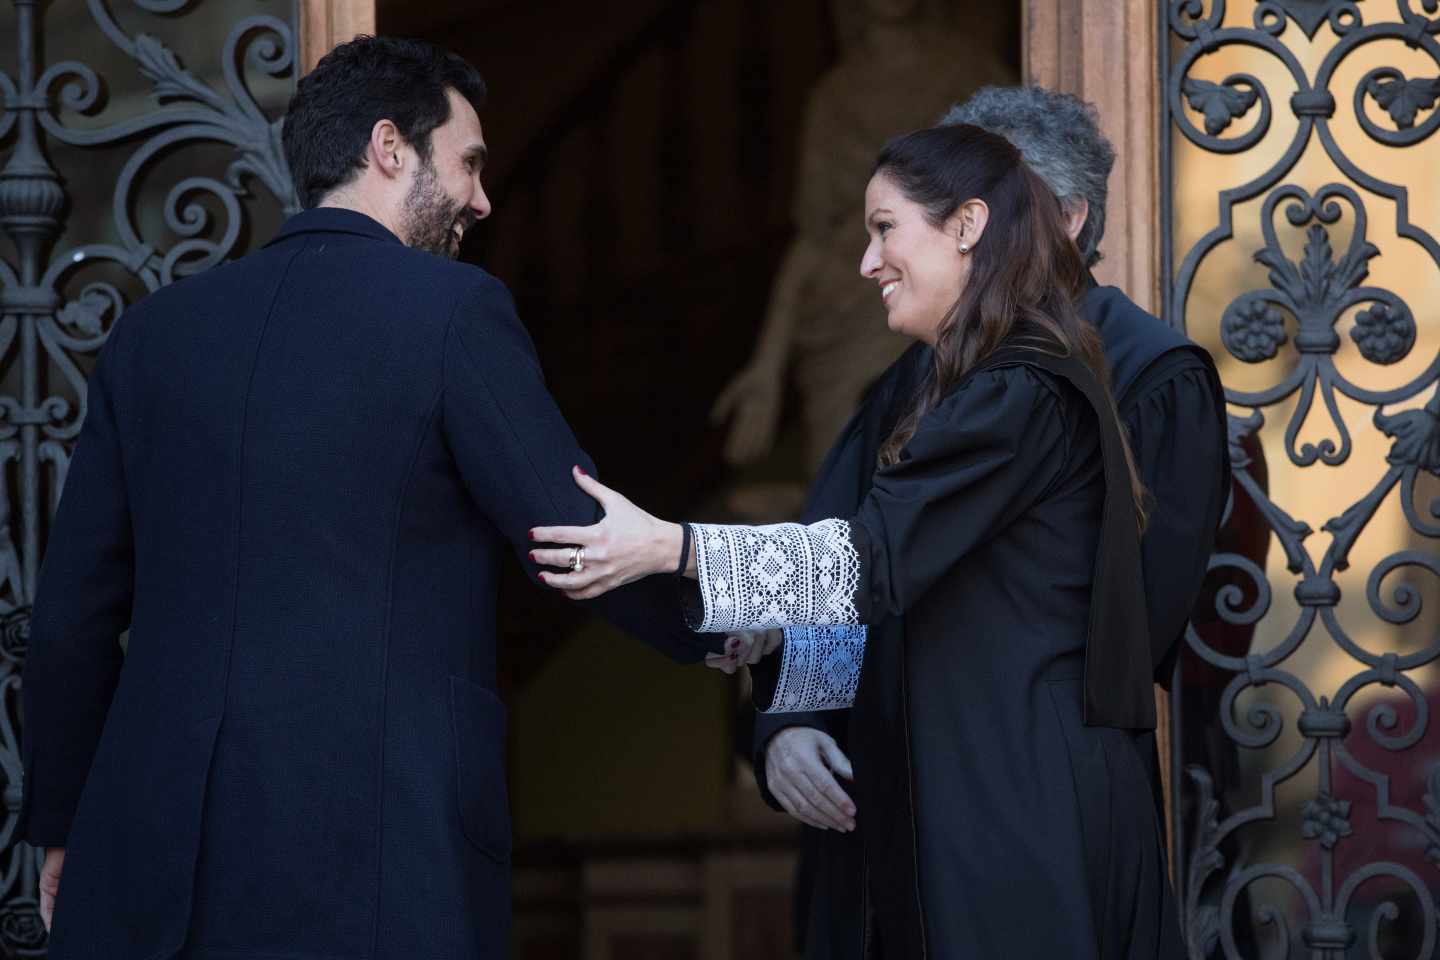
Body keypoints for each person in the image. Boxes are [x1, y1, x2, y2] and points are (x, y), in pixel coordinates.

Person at [19, 36, 714, 960]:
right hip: (374, 858)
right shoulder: (451, 311)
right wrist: (759, 624)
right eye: (468, 162)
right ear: (391, 147)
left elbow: (70, 618)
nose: (482, 198)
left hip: (147, 861)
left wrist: (63, 824)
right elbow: (574, 534)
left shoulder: (152, 337)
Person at [532, 123, 1187, 956]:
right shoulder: (967, 383)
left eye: (884, 229)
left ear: (966, 225)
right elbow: (876, 569)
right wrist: (787, 682)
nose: (866, 263)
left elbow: (864, 563)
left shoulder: (1019, 390)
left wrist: (672, 547)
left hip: (1025, 808)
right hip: (990, 797)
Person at [745, 86, 1230, 957]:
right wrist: (799, 722)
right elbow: (841, 550)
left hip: (1017, 803)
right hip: (877, 799)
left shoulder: (1150, 377)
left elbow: (1135, 628)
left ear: (1069, 217)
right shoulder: (912, 378)